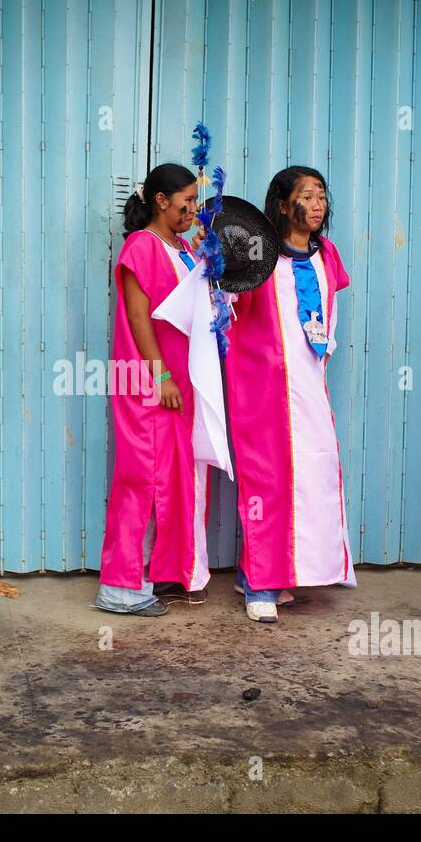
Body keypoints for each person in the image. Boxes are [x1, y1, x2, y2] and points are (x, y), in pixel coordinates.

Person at [222, 166, 356, 624]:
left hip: (310, 386)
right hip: (262, 389)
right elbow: (223, 306)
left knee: (310, 476)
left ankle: (262, 571)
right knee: (267, 480)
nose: (317, 204)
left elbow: (329, 317)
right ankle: (261, 581)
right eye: (306, 195)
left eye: (321, 195)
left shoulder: (328, 255)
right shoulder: (257, 259)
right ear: (281, 205)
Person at [96, 163, 209, 616]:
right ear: (161, 201)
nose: (193, 210)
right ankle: (119, 586)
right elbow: (139, 317)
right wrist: (160, 377)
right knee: (139, 478)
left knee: (167, 477)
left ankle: (151, 574)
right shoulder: (140, 246)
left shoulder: (180, 247)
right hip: (146, 380)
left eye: (196, 202)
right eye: (187, 202)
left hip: (175, 382)